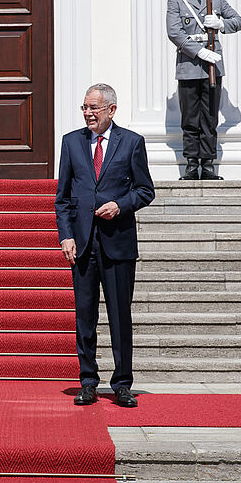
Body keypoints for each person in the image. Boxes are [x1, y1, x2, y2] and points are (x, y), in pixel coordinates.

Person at [55, 84, 155, 408]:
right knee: (85, 316)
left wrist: (120, 205)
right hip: (83, 244)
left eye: (94, 108)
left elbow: (145, 190)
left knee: (119, 317)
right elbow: (62, 198)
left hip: (118, 243)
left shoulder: (132, 142)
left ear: (111, 109)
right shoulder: (71, 142)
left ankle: (122, 384)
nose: (88, 113)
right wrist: (66, 235)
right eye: (84, 107)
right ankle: (88, 381)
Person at [165, 0, 241, 180]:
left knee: (210, 117)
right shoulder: (177, 1)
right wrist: (199, 52)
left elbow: (239, 21)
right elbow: (174, 32)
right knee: (190, 118)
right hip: (189, 65)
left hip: (212, 67)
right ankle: (191, 164)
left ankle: (208, 164)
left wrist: (221, 24)